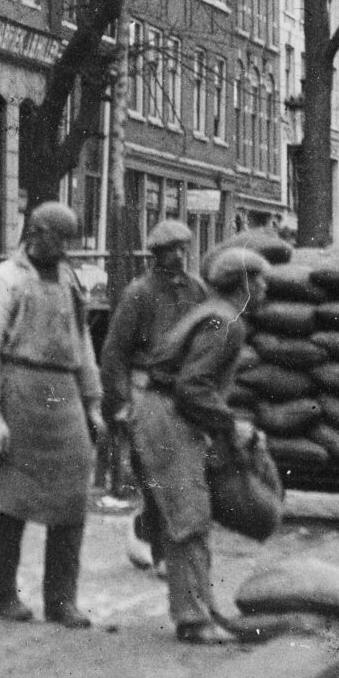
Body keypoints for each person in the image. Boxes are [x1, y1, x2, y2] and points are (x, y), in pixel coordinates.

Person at [0, 202, 104, 628]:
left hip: (63, 397)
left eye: (69, 243)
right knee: (10, 503)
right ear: (35, 233)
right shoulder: (4, 279)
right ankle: (3, 594)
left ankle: (62, 600)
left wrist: (93, 402)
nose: (64, 251)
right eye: (58, 241)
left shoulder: (69, 280)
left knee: (71, 504)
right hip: (18, 393)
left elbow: (82, 345)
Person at [130, 245, 271, 644]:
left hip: (168, 413)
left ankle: (201, 607)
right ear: (242, 285)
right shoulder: (226, 323)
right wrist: (231, 425)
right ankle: (193, 619)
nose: (264, 289)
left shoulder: (214, 314)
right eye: (259, 281)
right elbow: (193, 387)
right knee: (188, 517)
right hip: (167, 417)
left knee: (191, 514)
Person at [99, 219, 209, 572]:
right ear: (157, 255)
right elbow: (115, 353)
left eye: (181, 249)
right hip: (147, 392)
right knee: (153, 473)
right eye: (169, 251)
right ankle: (162, 552)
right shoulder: (139, 294)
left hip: (185, 393)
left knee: (184, 474)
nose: (177, 257)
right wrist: (120, 403)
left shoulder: (196, 292)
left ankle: (146, 533)